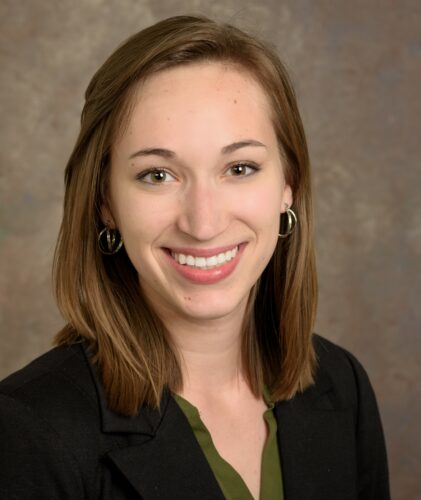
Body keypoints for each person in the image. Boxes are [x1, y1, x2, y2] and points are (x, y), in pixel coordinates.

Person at [0, 15, 389, 500]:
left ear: (288, 185)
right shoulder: (26, 431)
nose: (202, 224)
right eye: (158, 175)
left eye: (239, 168)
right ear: (105, 202)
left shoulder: (341, 385)